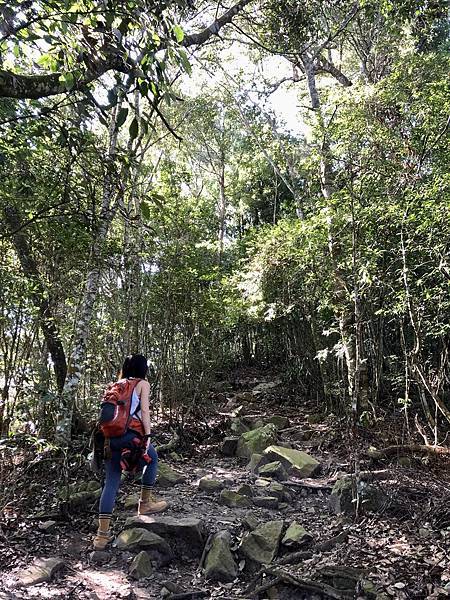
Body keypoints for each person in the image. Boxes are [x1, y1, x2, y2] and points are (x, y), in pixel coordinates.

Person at [94, 354, 168, 550]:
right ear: (142, 369)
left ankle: (101, 537)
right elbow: (144, 411)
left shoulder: (115, 385)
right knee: (152, 459)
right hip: (131, 434)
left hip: (110, 438)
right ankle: (144, 503)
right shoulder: (142, 384)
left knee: (111, 482)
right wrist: (149, 435)